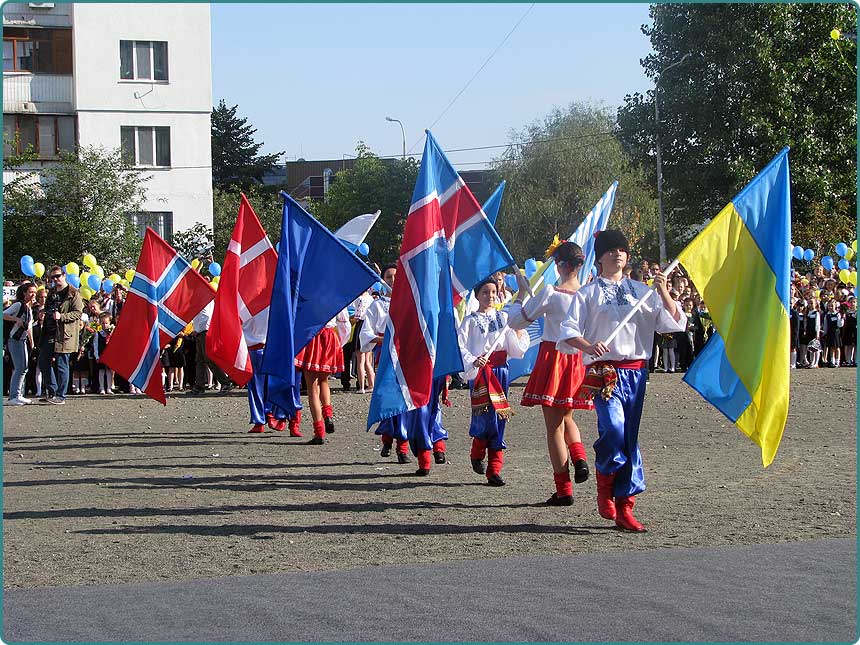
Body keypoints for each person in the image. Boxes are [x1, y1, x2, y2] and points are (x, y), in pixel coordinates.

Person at [558, 229, 686, 532]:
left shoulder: (643, 292)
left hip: (637, 371)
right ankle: (605, 485)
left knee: (629, 437)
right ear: (600, 257)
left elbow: (673, 323)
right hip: (605, 372)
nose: (618, 254)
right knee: (613, 429)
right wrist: (588, 346)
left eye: (622, 249)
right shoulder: (587, 294)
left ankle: (625, 506)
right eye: (611, 250)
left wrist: (664, 292)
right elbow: (568, 331)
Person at [508, 241, 593, 507]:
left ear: (561, 265)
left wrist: (522, 294)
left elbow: (517, 321)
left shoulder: (551, 292)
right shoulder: (588, 294)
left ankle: (564, 489)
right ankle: (579, 457)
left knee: (553, 426)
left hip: (554, 356)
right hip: (577, 358)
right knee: (567, 414)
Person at [458, 277, 529, 486]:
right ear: (477, 295)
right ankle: (477, 450)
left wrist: (516, 329)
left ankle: (494, 469)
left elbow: (516, 348)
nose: (490, 296)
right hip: (481, 373)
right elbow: (461, 346)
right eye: (485, 292)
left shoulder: (504, 318)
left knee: (500, 417)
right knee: (484, 415)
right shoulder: (469, 321)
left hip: (500, 373)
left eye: (493, 292)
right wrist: (473, 359)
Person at [360, 264, 410, 463]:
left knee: (405, 400)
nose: (393, 280)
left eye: (396, 276)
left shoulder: (409, 303)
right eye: (388, 277)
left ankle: (403, 448)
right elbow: (367, 332)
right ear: (383, 280)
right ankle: (387, 438)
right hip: (385, 355)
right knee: (387, 398)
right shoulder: (377, 305)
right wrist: (386, 340)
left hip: (404, 357)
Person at [294, 309, 351, 444]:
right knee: (324, 381)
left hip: (311, 336)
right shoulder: (334, 296)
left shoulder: (308, 296)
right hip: (330, 336)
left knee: (312, 388)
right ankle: (328, 415)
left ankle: (319, 432)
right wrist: (340, 342)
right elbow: (344, 321)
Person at [37, 266, 84, 405]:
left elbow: (78, 312)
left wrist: (62, 316)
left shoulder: (73, 293)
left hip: (64, 334)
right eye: (52, 277)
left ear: (64, 275)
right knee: (43, 361)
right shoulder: (51, 292)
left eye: (57, 276)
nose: (55, 279)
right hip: (49, 332)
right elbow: (48, 309)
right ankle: (52, 391)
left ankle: (61, 396)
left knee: (62, 364)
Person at [189, 299, 233, 395]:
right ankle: (199, 386)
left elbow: (206, 317)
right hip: (200, 332)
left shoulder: (206, 298)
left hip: (205, 331)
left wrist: (197, 329)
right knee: (200, 360)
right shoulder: (202, 298)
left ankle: (225, 383)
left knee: (209, 359)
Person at [3, 282, 36, 405]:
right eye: (31, 292)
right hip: (15, 340)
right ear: (24, 293)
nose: (33, 294)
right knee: (20, 368)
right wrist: (16, 319)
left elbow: (29, 327)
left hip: (22, 340)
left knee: (23, 368)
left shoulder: (29, 308)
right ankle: (14, 396)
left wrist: (31, 342)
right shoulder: (18, 305)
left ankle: (18, 394)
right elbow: (3, 314)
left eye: (34, 292)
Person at [92, 312, 115, 394]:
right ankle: (101, 387)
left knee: (109, 371)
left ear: (109, 323)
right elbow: (95, 345)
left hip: (109, 355)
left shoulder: (112, 333)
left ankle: (109, 388)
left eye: (106, 323)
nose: (105, 325)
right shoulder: (98, 334)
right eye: (102, 323)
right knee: (101, 371)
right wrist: (97, 356)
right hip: (101, 355)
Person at [822, 298, 844, 368]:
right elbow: (825, 325)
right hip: (830, 333)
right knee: (831, 348)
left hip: (836, 333)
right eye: (829, 306)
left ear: (835, 306)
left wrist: (841, 318)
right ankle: (832, 361)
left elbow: (840, 325)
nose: (830, 307)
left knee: (837, 348)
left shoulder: (838, 314)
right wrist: (824, 333)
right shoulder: (827, 315)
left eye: (832, 306)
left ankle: (837, 361)